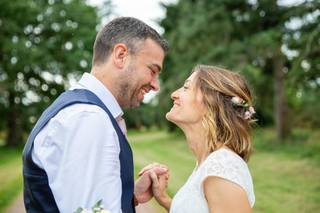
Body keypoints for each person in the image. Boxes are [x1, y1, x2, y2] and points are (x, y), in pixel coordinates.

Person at [22, 17, 169, 213]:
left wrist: (129, 194)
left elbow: (80, 201)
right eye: (152, 70)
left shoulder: (86, 111)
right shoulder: (88, 118)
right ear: (120, 55)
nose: (155, 84)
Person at [143, 65, 256, 212]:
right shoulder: (209, 164)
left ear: (210, 103)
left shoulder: (221, 169)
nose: (174, 94)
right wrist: (164, 199)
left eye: (186, 87)